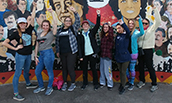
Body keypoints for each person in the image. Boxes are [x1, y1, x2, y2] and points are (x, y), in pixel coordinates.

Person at [2, 2, 37, 101]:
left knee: (26, 71)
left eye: (24, 23)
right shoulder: (15, 33)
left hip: (28, 55)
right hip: (20, 56)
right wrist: (15, 48)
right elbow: (5, 43)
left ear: (26, 24)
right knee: (17, 73)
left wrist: (34, 7)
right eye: (21, 23)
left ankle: (28, 84)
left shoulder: (29, 29)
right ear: (18, 24)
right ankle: (16, 93)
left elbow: (33, 17)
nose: (22, 25)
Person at [55, 6, 80, 92]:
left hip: (71, 52)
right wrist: (57, 51)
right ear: (64, 22)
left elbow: (78, 22)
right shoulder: (60, 30)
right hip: (62, 53)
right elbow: (57, 41)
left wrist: (75, 12)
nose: (68, 22)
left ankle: (73, 83)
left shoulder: (73, 28)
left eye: (69, 21)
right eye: (67, 21)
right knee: (64, 68)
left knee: (70, 68)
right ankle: (65, 83)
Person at [33, 7, 57, 95]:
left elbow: (55, 24)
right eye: (44, 25)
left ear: (48, 26)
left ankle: (50, 87)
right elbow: (37, 45)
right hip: (41, 55)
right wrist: (35, 56)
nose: (45, 27)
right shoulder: (39, 33)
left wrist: (52, 13)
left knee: (49, 71)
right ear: (42, 26)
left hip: (48, 53)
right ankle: (41, 86)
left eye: (47, 25)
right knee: (37, 71)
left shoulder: (51, 33)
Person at [137, 7, 161, 92]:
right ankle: (142, 81)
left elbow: (158, 21)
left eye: (145, 23)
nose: (144, 25)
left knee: (150, 66)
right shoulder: (138, 31)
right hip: (140, 50)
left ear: (148, 24)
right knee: (140, 66)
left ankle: (154, 84)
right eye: (142, 23)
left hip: (148, 50)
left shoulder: (151, 29)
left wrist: (155, 10)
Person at [79, 10, 100, 91]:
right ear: (82, 26)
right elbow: (80, 46)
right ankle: (85, 83)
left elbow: (97, 25)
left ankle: (95, 83)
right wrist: (80, 56)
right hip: (84, 55)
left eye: (86, 24)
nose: (85, 26)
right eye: (84, 25)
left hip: (92, 54)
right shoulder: (80, 35)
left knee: (94, 69)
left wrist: (98, 16)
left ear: (88, 26)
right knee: (84, 70)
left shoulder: (91, 32)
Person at [125, 17, 144, 91]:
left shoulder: (135, 32)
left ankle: (132, 83)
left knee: (132, 69)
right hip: (126, 53)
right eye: (129, 23)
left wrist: (139, 21)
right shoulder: (126, 31)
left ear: (134, 24)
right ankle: (129, 81)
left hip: (133, 53)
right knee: (126, 69)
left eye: (132, 23)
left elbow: (142, 32)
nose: (130, 25)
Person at [115, 19, 131, 95]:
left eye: (120, 28)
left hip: (125, 57)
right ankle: (122, 83)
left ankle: (123, 86)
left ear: (123, 28)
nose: (118, 30)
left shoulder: (126, 36)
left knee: (123, 72)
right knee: (121, 72)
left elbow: (128, 31)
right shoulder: (117, 36)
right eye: (117, 28)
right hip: (118, 57)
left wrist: (123, 23)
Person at [99, 22, 114, 91]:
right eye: (104, 27)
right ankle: (102, 82)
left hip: (108, 56)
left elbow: (111, 35)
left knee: (108, 71)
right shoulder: (103, 35)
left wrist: (110, 27)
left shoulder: (110, 36)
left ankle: (110, 83)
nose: (105, 29)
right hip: (102, 55)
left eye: (106, 27)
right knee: (102, 70)